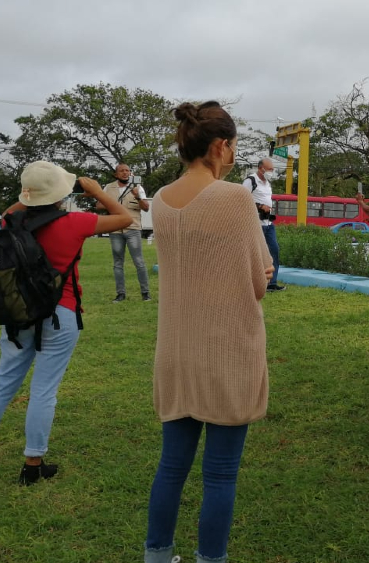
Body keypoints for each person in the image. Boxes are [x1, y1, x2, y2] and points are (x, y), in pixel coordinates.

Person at [145, 101, 273, 563]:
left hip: (175, 349)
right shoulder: (235, 197)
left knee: (172, 466)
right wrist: (264, 268)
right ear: (221, 145)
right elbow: (259, 282)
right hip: (227, 348)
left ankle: (156, 555)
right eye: (234, 145)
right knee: (220, 474)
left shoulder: (159, 200)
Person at [0, 162, 132, 484]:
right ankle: (32, 464)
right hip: (60, 313)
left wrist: (31, 193)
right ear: (60, 194)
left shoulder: (11, 219)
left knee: (3, 382)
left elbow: (15, 206)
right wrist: (96, 191)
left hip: (17, 313)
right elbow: (126, 218)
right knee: (44, 391)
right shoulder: (75, 222)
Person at [97, 162, 151, 303]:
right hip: (115, 229)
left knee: (139, 261)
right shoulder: (108, 187)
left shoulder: (137, 188)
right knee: (117, 263)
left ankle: (145, 293)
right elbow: (99, 205)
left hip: (133, 228)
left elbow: (146, 207)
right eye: (122, 171)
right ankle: (120, 294)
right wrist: (111, 202)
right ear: (116, 174)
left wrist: (137, 196)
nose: (125, 173)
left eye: (127, 170)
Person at [243, 158, 285, 292]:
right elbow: (242, 199)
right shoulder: (251, 181)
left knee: (274, 250)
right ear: (261, 168)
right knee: (256, 254)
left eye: (272, 169)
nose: (271, 172)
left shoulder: (267, 183)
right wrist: (260, 206)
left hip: (268, 224)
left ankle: (271, 283)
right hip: (256, 224)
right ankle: (254, 283)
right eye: (269, 169)